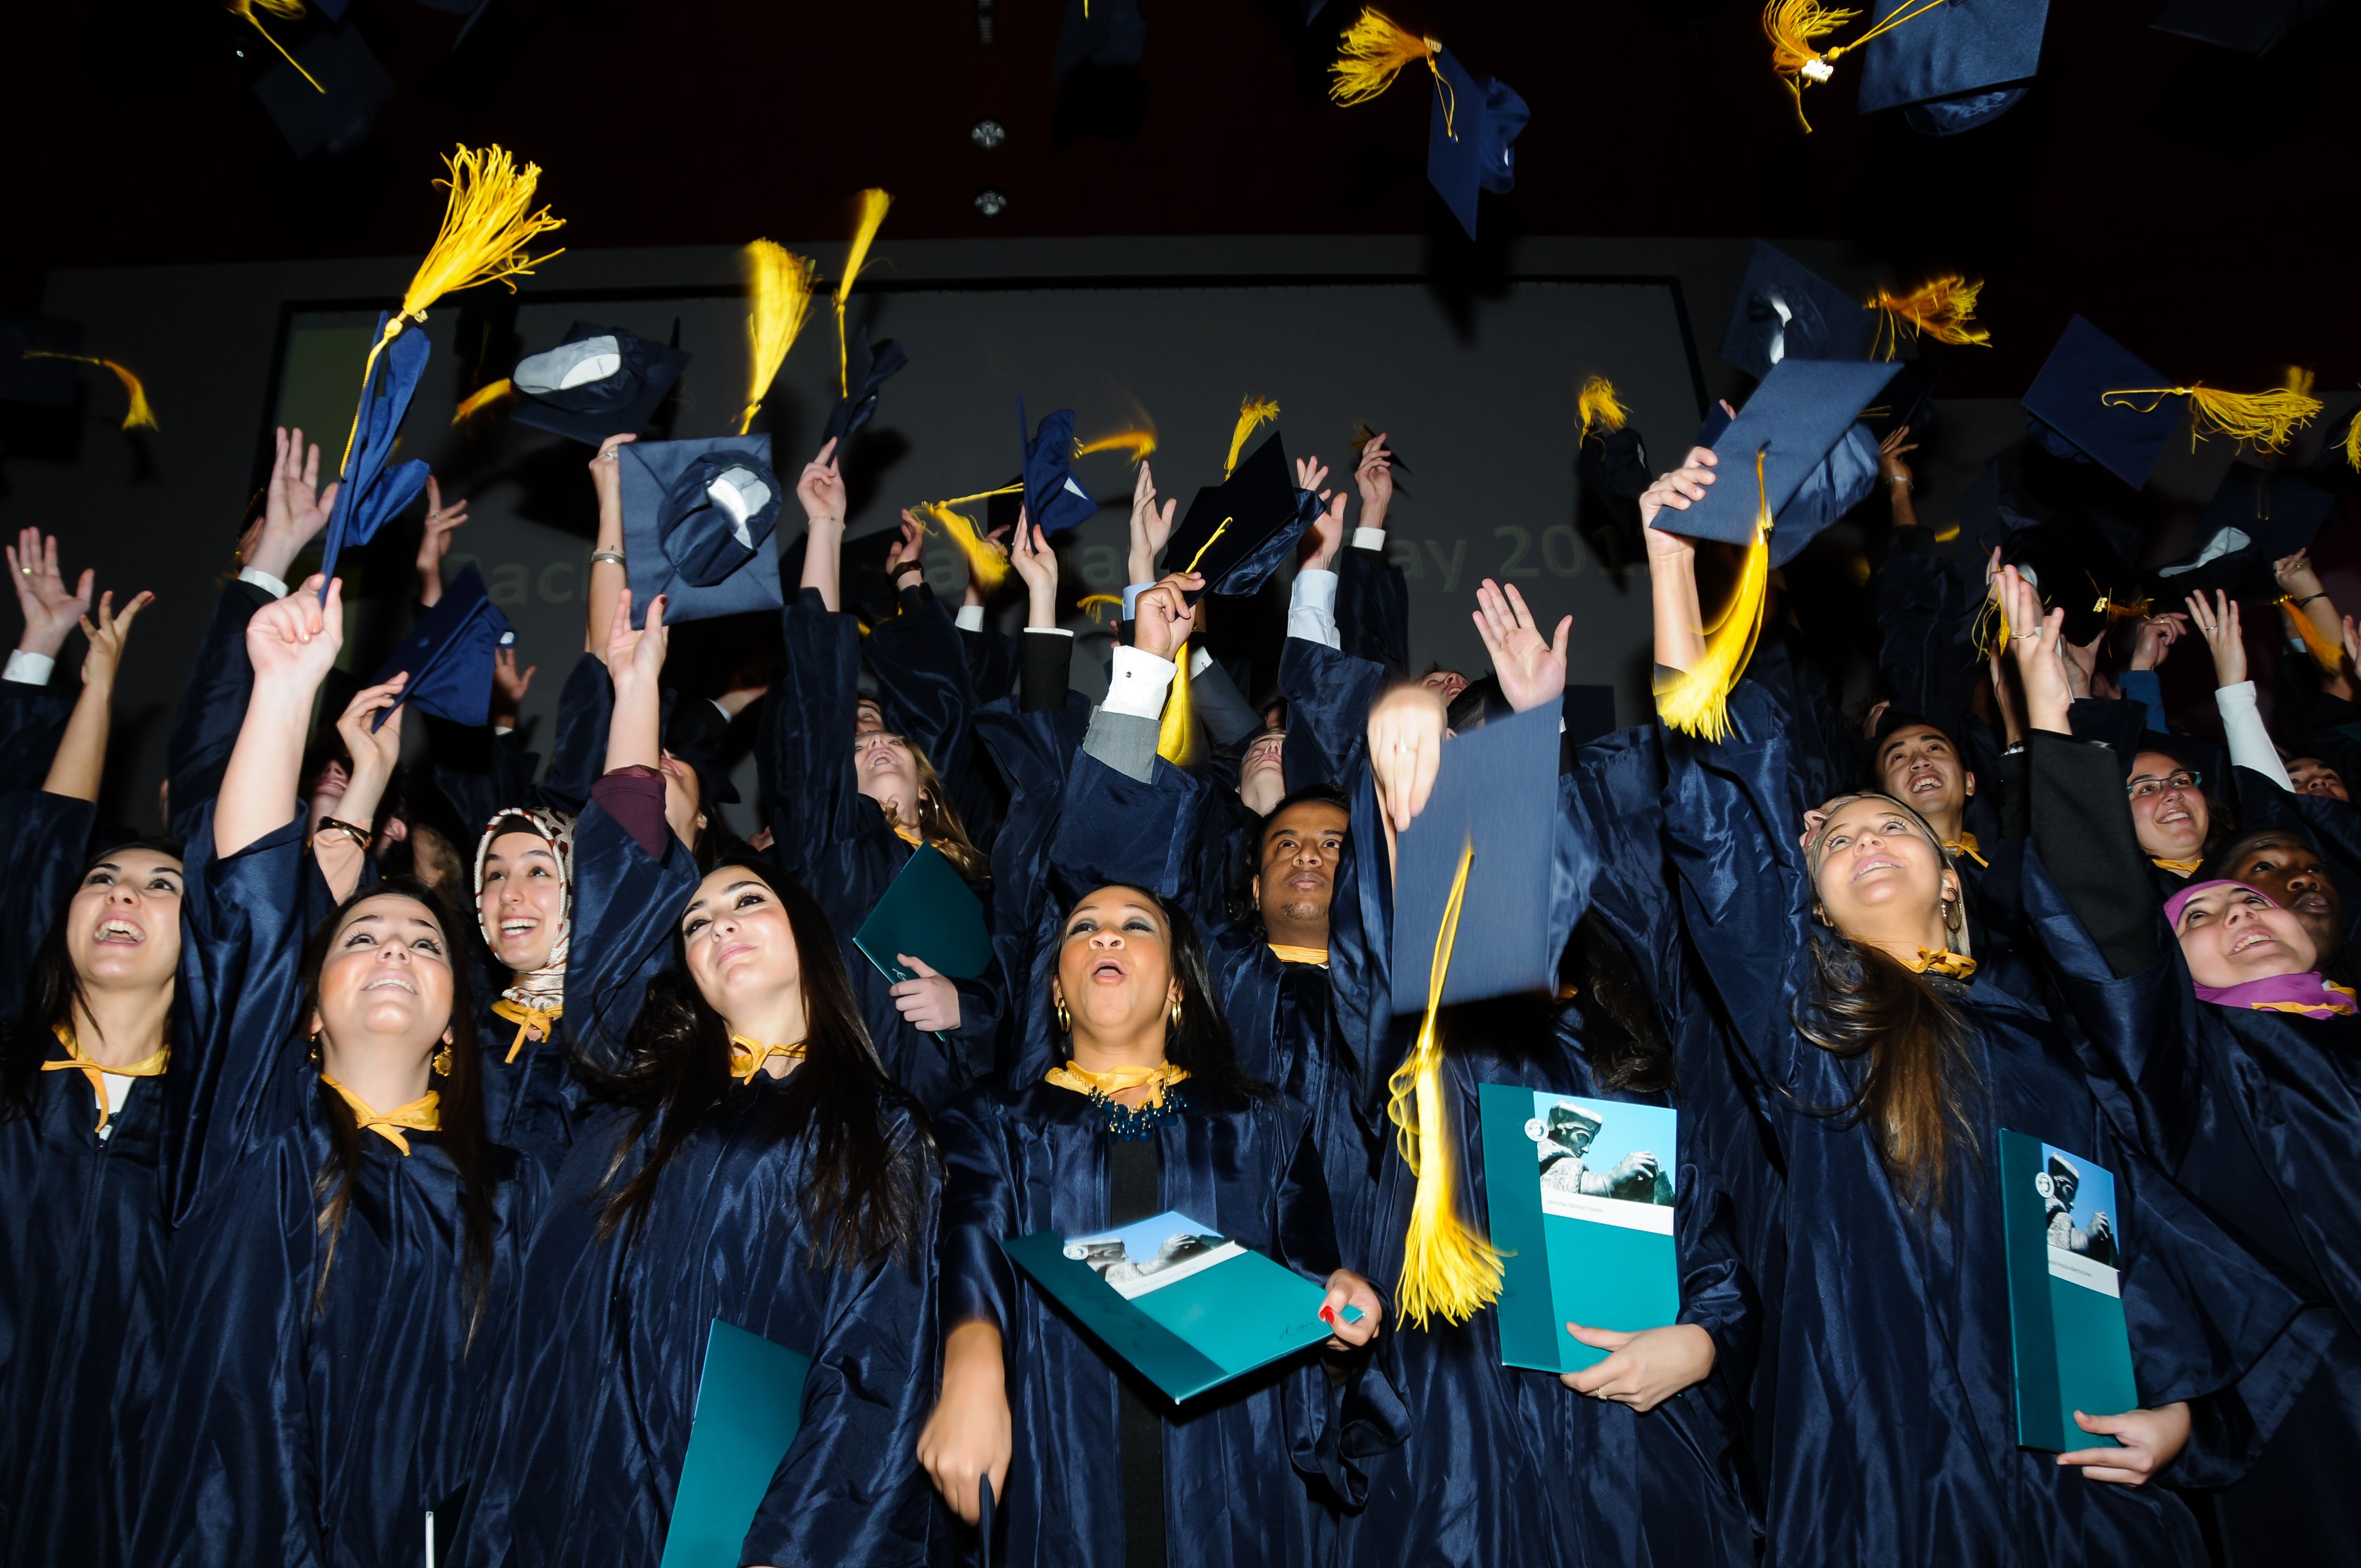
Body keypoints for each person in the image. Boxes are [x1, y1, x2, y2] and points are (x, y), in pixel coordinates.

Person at [1643, 452, 2324, 1566]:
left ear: (1951, 882)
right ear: (1803, 895)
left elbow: (2123, 1238)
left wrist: (2184, 1413)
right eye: (1842, 834)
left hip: (2069, 1484)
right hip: (1883, 1472)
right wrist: (1678, 571)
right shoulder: (1808, 1025)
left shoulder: (2039, 1039)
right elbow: (1716, 817)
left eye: (1894, 830)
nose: (1867, 838)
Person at [453, 586, 942, 1568]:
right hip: (576, 1491)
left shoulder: (880, 1127)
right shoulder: (640, 1089)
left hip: (738, 1525)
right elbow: (629, 891)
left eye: (746, 901)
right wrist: (635, 687)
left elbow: (873, 1371)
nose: (715, 922)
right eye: (696, 920)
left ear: (808, 939)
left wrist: (787, 1551)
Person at [917, 659, 1385, 1566]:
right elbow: (971, 1254)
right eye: (1084, 928)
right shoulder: (998, 1128)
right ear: (1054, 991)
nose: (1107, 936)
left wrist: (1342, 1320)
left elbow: (1313, 1281)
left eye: (1138, 926)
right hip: (1061, 1481)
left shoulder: (1263, 1126)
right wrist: (973, 1362)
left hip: (1233, 1486)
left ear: (1177, 987)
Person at [133, 574, 544, 1568]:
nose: (400, 950)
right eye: (365, 935)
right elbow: (245, 915)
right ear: (309, 1008)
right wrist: (281, 691)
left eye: (427, 942)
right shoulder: (253, 1126)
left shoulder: (504, 1196)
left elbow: (504, 1437)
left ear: (457, 1021)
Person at [2003, 562, 2361, 1562]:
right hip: (2325, 1416)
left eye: (2252, 900)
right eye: (2197, 915)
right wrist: (2048, 707)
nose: (2239, 908)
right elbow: (2108, 932)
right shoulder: (2199, 1072)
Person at [0, 585, 165, 1568]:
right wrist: (91, 683)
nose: (120, 895)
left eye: (159, 885)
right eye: (103, 880)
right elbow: (45, 841)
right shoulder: (15, 1075)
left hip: (119, 1504)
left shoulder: (207, 1128)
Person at [763, 438, 1003, 1110]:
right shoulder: (825, 844)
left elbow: (1019, 1001)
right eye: (862, 743)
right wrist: (825, 528)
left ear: (929, 785)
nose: (880, 743)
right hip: (840, 1119)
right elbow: (816, 683)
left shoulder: (972, 882)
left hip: (956, 1131)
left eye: (896, 740)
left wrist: (967, 1010)